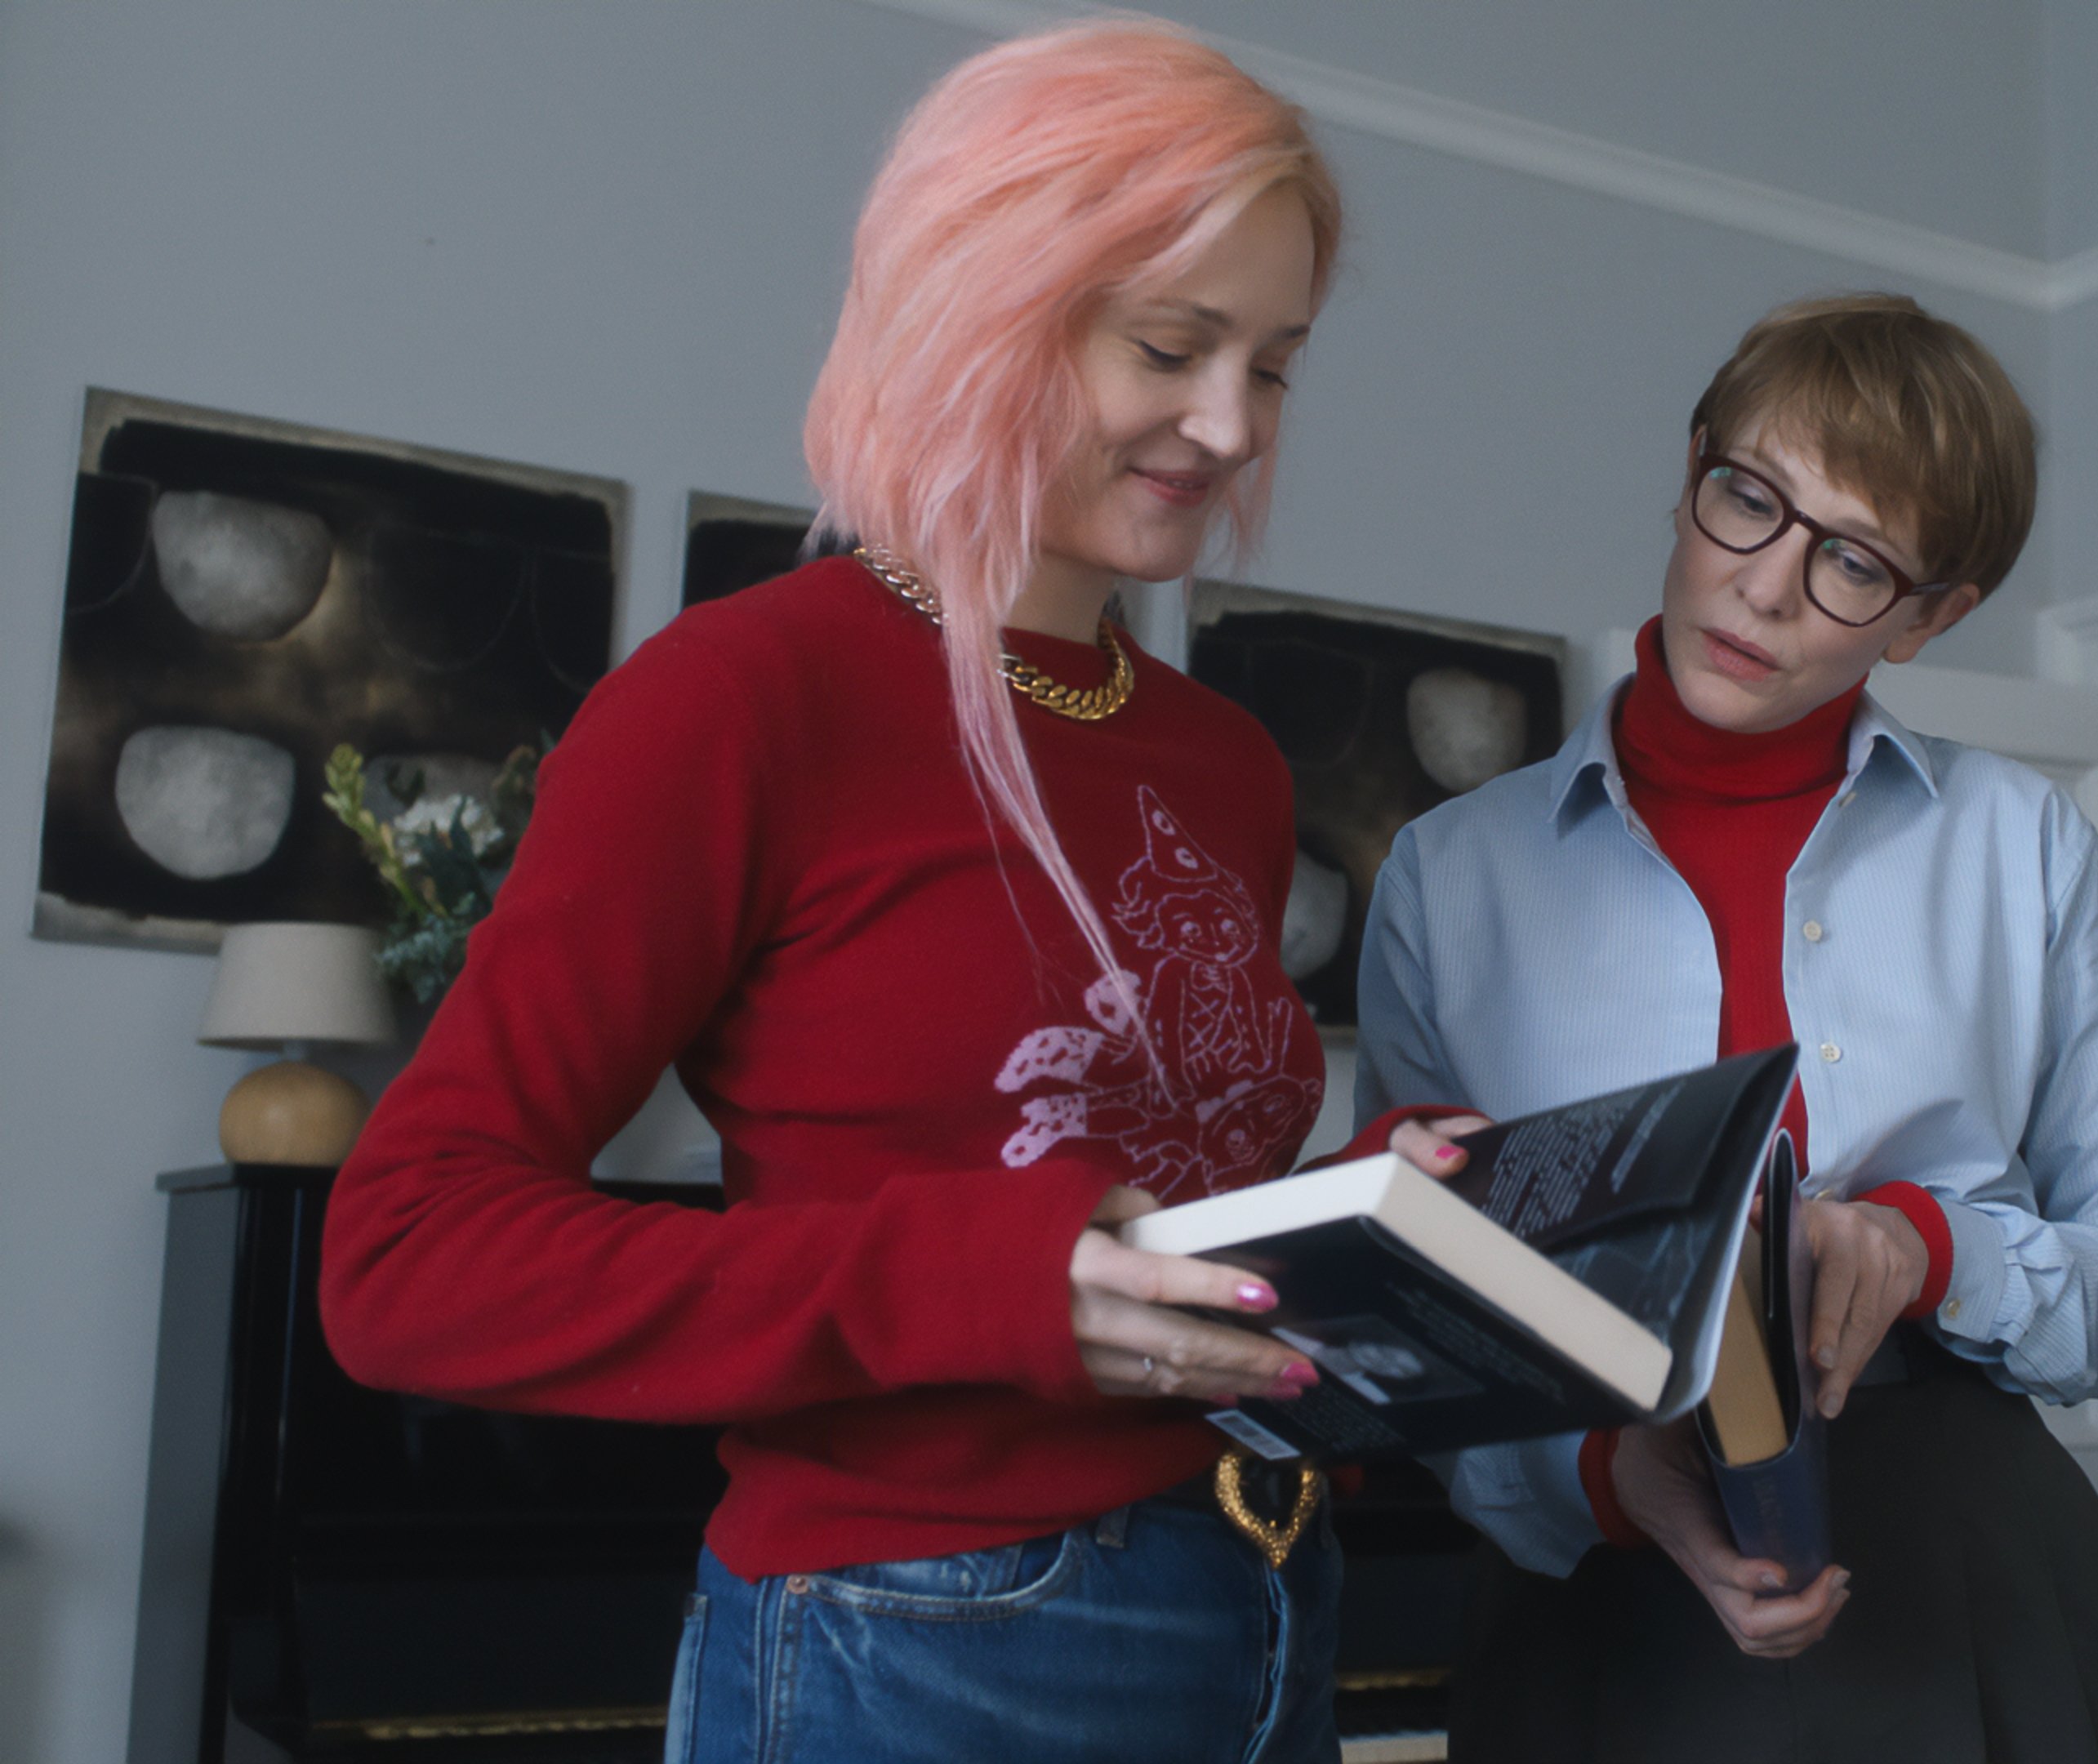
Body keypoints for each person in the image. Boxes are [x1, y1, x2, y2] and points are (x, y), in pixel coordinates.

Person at [318, 25, 1464, 1761]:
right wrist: (982, 1287)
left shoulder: (1225, 762)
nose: (1231, 426)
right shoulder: (745, 699)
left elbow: (1134, 1216)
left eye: (1277, 368)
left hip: (1268, 1598)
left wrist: (1371, 1211)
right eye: (1171, 347)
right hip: (919, 1638)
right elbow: (406, 1257)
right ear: (987, 303)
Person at [1356, 293, 2098, 1762]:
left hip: (1973, 1575)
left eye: (1855, 562)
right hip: (1599, 1603)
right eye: (1749, 499)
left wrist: (1931, 1250)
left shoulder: (2025, 846)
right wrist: (1606, 1479)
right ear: (1693, 463)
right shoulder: (1449, 874)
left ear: (1933, 616)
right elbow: (1423, 1334)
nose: (1765, 589)